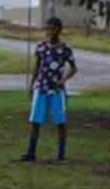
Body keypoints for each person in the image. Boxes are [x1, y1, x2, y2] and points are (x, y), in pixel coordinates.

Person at [20, 16, 78, 163]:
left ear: (59, 30)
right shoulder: (41, 47)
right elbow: (37, 67)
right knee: (35, 121)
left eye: (52, 28)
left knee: (60, 122)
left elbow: (74, 69)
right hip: (41, 88)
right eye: (47, 28)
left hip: (57, 91)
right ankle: (31, 153)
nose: (49, 31)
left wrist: (63, 80)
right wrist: (31, 86)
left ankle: (61, 156)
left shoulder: (65, 50)